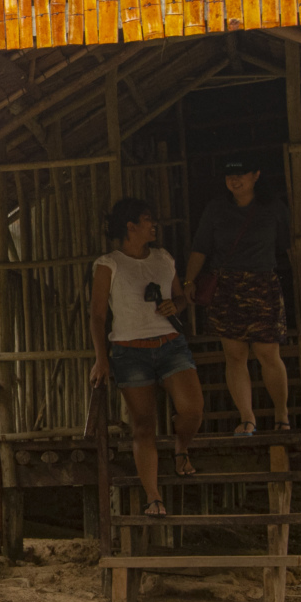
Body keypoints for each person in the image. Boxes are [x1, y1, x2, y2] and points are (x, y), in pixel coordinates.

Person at [89, 197, 204, 514]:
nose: (154, 225)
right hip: (129, 352)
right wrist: (102, 359)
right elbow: (98, 316)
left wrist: (175, 305)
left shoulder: (163, 258)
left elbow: (181, 298)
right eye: (147, 219)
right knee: (143, 426)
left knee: (192, 409)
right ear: (131, 226)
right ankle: (154, 497)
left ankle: (181, 447)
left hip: (170, 344)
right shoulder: (108, 263)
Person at [183, 156, 293, 435]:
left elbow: (291, 248)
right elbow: (200, 248)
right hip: (227, 286)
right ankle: (247, 418)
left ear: (256, 174)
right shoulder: (216, 209)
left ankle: (282, 415)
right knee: (234, 355)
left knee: (268, 352)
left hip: (263, 283)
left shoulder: (273, 208)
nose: (234, 180)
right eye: (230, 175)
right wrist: (189, 281)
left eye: (241, 174)